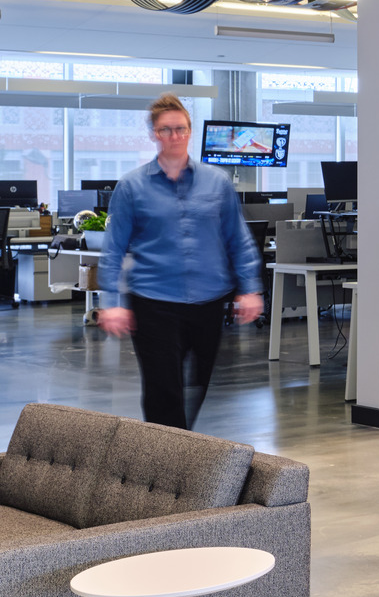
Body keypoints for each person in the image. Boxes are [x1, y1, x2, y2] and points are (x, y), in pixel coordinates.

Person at [97, 95, 265, 430]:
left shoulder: (217, 183)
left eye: (181, 129)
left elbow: (238, 240)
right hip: (153, 301)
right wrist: (111, 303)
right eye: (166, 130)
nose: (174, 136)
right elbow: (113, 249)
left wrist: (251, 289)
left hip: (208, 300)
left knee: (198, 386)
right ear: (153, 134)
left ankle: (182, 447)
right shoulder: (132, 187)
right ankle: (168, 464)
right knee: (163, 389)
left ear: (190, 131)